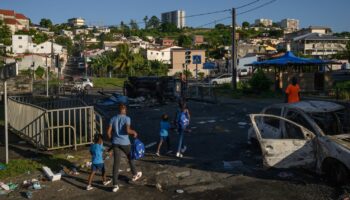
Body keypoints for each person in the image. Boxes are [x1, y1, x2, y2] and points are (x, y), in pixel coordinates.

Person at [107, 104, 142, 193]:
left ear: (118, 110)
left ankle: (115, 185)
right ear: (125, 109)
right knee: (130, 157)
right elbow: (127, 130)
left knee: (116, 164)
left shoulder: (113, 118)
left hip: (115, 143)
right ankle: (135, 174)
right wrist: (134, 132)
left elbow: (108, 132)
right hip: (125, 142)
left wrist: (112, 139)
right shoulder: (127, 118)